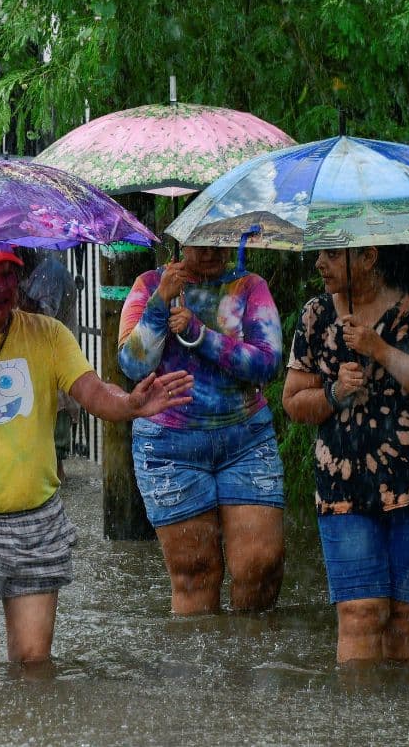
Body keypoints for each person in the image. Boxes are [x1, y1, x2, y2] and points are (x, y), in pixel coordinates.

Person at [0, 243, 193, 672]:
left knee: (34, 663)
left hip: (37, 522)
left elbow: (91, 390)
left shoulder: (47, 335)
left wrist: (130, 405)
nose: (4, 286)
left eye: (10, 274)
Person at [281, 245, 409, 665]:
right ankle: (358, 729)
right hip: (343, 487)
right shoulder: (315, 316)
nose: (319, 264)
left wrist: (380, 350)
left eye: (331, 254)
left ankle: (403, 729)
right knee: (360, 614)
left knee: (407, 620)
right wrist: (334, 393)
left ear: (367, 256)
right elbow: (293, 402)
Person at [117, 244, 285, 615]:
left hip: (246, 440)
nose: (210, 251)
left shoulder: (249, 287)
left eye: (219, 240)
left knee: (260, 565)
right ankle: (201, 671)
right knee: (195, 573)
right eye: (199, 242)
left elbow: (268, 365)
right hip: (168, 446)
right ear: (180, 240)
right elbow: (132, 364)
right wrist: (161, 303)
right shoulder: (148, 285)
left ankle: (250, 661)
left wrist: (199, 333)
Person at [17, 249, 81, 480]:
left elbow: (43, 319)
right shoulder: (32, 275)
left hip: (55, 364)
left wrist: (15, 293)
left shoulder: (50, 274)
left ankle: (54, 476)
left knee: (53, 448)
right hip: (35, 366)